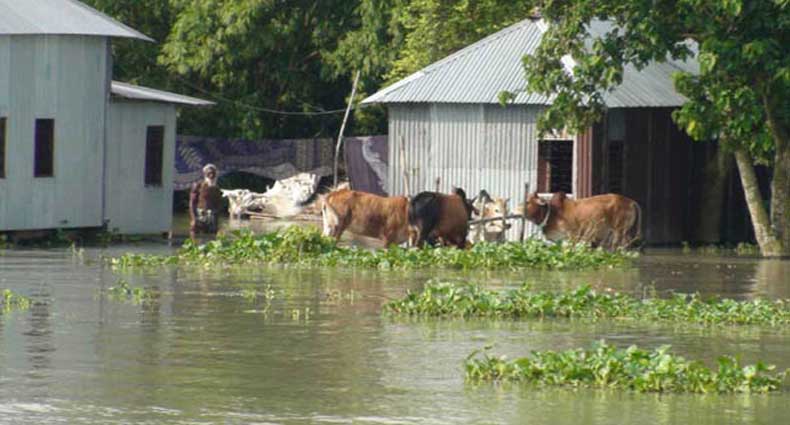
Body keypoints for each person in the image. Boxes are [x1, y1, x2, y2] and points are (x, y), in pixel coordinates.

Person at [189, 164, 223, 239]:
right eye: (209, 173)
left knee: (212, 238)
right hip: (200, 214)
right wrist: (193, 218)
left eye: (213, 174)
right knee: (195, 236)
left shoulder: (216, 188)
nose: (211, 175)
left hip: (212, 215)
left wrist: (216, 220)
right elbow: (192, 203)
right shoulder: (198, 185)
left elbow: (219, 204)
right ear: (205, 174)